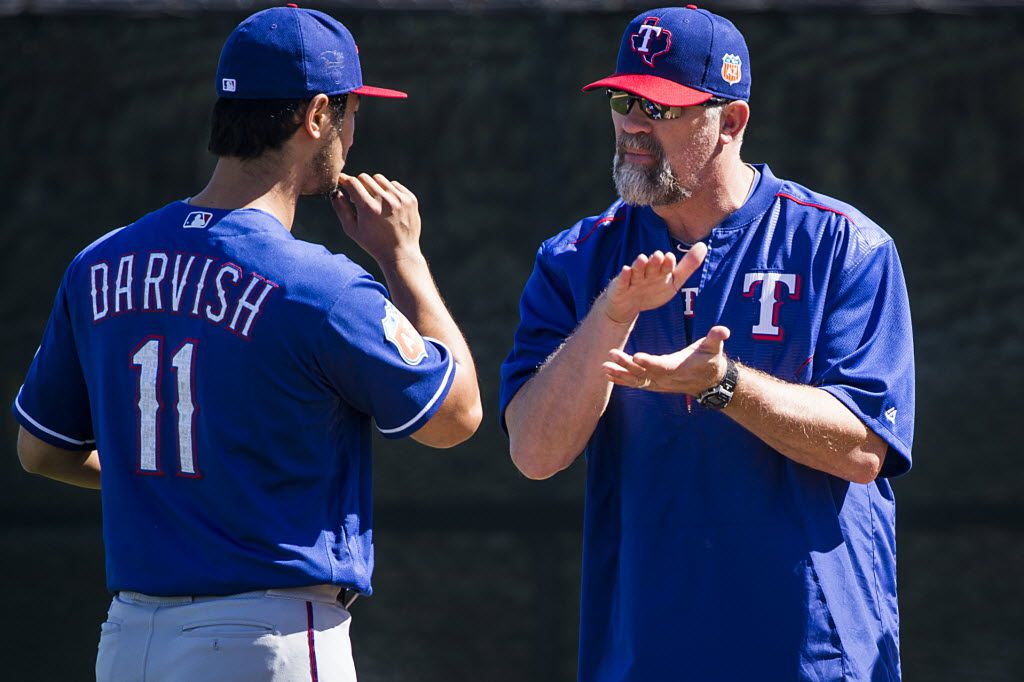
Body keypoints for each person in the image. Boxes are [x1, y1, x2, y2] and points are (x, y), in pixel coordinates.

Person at [13, 6, 481, 681]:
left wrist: (180, 492)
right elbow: (456, 417)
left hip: (129, 642)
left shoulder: (99, 265)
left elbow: (40, 449)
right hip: (264, 639)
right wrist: (404, 259)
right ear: (316, 115)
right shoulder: (317, 284)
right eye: (350, 111)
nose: (352, 131)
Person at [501, 6, 914, 680]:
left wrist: (724, 386)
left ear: (733, 121)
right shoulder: (577, 257)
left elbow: (864, 448)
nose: (633, 123)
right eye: (622, 100)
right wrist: (609, 317)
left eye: (661, 107)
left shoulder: (842, 245)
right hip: (646, 652)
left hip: (809, 652)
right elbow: (535, 453)